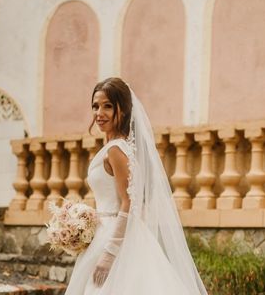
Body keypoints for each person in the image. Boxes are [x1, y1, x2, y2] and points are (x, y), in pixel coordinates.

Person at [64, 77, 208, 295]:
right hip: (108, 233)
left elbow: (128, 203)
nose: (99, 113)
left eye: (107, 106)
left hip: (115, 238)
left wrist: (110, 253)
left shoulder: (116, 150)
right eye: (95, 106)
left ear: (122, 110)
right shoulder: (117, 147)